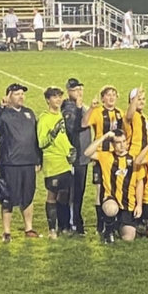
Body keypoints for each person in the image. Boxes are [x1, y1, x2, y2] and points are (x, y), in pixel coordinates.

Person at [0, 83, 42, 242]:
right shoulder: (3, 114)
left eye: (22, 94)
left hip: (28, 162)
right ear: (9, 96)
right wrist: (0, 107)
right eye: (17, 94)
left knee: (28, 196)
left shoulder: (29, 113)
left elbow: (35, 138)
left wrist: (38, 158)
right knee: (8, 197)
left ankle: (29, 228)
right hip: (10, 163)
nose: (21, 97)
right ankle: (6, 231)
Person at [81, 85, 124, 234]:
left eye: (114, 95)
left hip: (117, 157)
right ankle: (101, 224)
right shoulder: (98, 112)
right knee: (100, 189)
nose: (111, 97)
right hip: (101, 156)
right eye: (108, 95)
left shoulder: (120, 113)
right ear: (103, 98)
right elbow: (84, 123)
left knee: (117, 186)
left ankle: (115, 220)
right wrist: (91, 109)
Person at [84, 130, 141, 244]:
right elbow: (87, 153)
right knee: (111, 209)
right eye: (118, 142)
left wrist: (139, 204)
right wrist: (104, 137)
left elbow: (140, 183)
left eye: (124, 141)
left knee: (128, 238)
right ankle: (108, 232)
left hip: (127, 204)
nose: (122, 145)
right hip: (111, 199)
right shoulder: (106, 156)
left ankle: (116, 225)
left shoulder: (134, 158)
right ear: (112, 144)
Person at [37, 87, 75, 239]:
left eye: (59, 96)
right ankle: (52, 229)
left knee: (64, 194)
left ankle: (64, 227)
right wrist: (53, 133)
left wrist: (71, 149)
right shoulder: (44, 119)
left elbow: (63, 137)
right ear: (48, 100)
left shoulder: (60, 115)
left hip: (65, 162)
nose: (58, 99)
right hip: (52, 162)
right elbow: (41, 142)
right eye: (54, 97)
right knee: (52, 195)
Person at [61, 78, 92, 235]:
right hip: (76, 157)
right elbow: (75, 127)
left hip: (83, 157)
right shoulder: (69, 109)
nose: (79, 92)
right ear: (68, 91)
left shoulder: (79, 106)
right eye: (75, 90)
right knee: (74, 193)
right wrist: (80, 109)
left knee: (79, 192)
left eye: (80, 89)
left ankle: (75, 222)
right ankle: (74, 224)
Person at [124, 86, 148, 157]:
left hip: (146, 155)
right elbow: (129, 116)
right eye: (139, 99)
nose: (142, 102)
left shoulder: (145, 117)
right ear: (131, 101)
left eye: (143, 99)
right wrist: (136, 96)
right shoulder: (130, 114)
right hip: (133, 154)